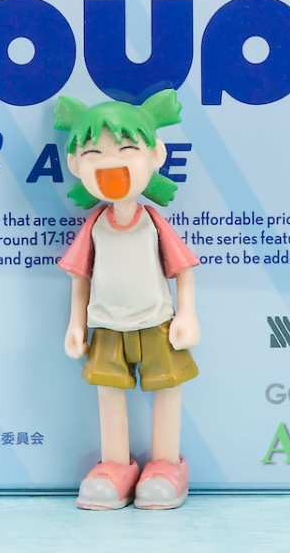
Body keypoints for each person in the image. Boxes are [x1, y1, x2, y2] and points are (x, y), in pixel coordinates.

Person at [55, 89, 200, 510]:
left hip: (157, 323)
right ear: (75, 164)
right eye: (93, 153)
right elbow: (80, 278)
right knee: (107, 392)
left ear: (155, 156)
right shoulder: (95, 226)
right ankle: (115, 465)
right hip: (106, 326)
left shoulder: (152, 222)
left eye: (126, 149)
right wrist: (76, 324)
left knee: (168, 388)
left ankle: (166, 463)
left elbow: (183, 270)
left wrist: (187, 315)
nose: (110, 163)